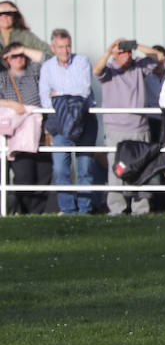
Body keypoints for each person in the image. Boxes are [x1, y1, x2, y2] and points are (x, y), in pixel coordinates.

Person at [94, 37, 164, 215]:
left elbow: (158, 57)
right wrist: (109, 51)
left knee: (142, 168)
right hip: (115, 128)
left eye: (128, 51)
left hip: (140, 127)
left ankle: (140, 208)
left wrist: (136, 45)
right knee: (115, 170)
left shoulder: (139, 66)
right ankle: (117, 209)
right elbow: (97, 70)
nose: (125, 55)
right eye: (121, 52)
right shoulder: (109, 70)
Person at [38, 28, 96, 215]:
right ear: (53, 48)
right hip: (60, 120)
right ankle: (68, 209)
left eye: (68, 45)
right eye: (61, 46)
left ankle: (85, 209)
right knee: (61, 168)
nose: (65, 50)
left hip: (84, 119)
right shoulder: (47, 67)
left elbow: (84, 90)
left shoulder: (82, 61)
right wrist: (67, 95)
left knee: (85, 166)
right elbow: (45, 98)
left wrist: (59, 95)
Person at [1, 41, 52, 213]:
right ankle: (22, 211)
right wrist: (10, 104)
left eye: (21, 55)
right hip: (18, 136)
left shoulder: (35, 73)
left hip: (41, 133)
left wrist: (24, 49)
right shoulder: (3, 78)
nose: (18, 59)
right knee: (24, 175)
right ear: (7, 59)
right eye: (14, 56)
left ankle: (37, 214)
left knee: (44, 173)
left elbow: (50, 60)